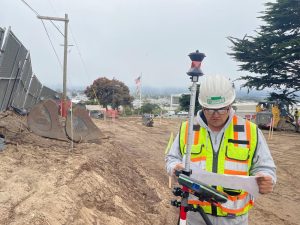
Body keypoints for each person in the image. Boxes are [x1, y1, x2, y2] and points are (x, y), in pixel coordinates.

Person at [166, 74, 276, 225]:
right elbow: (172, 159)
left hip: (234, 220)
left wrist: (266, 178)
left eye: (221, 109)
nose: (215, 115)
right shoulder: (188, 129)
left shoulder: (250, 131)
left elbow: (265, 167)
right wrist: (174, 167)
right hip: (195, 216)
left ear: (230, 105)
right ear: (202, 106)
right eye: (209, 110)